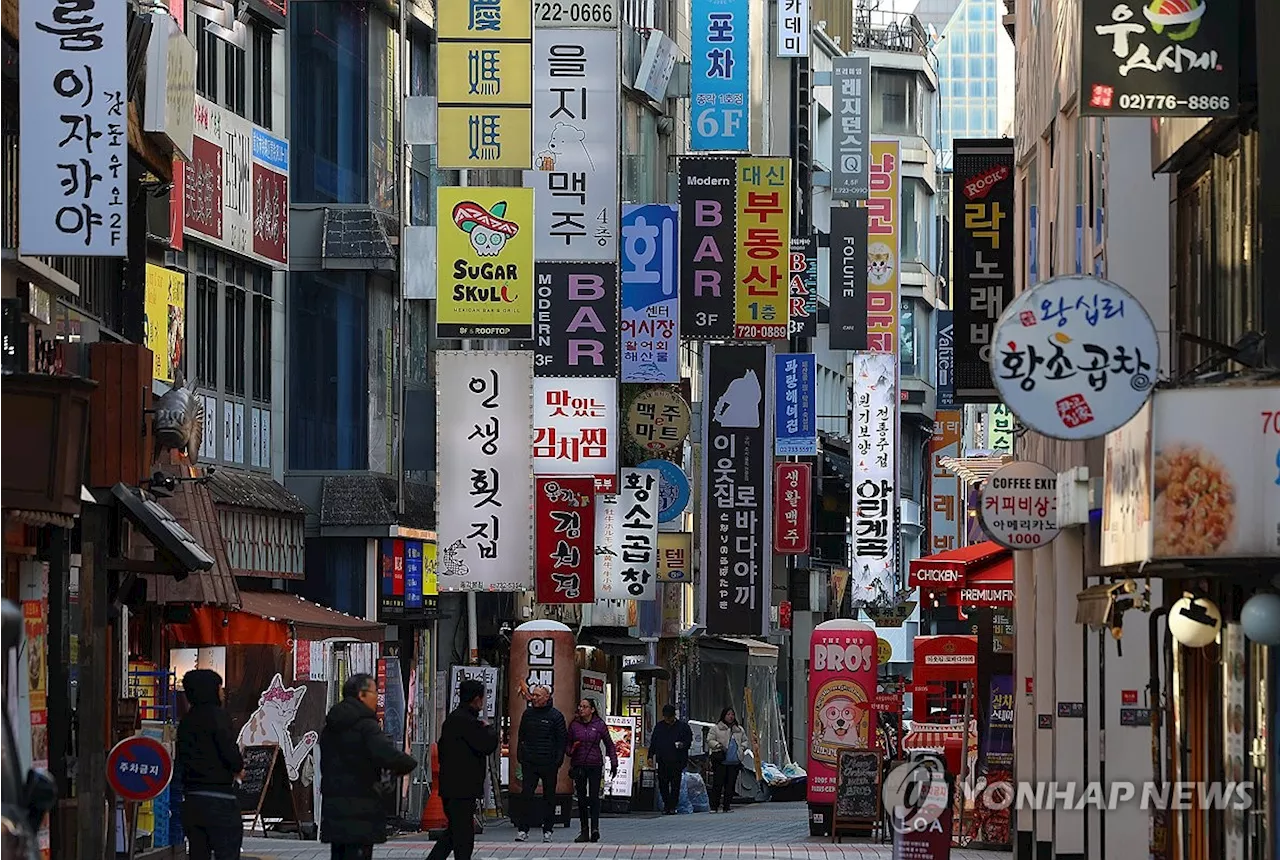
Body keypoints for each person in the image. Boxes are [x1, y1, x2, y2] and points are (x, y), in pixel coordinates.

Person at [319, 673, 418, 860]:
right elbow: (388, 755)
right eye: (375, 692)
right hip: (361, 809)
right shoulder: (366, 726)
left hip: (335, 808)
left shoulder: (331, 726)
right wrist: (407, 764)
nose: (377, 698)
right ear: (361, 695)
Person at [427, 678, 499, 860]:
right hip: (463, 787)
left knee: (455, 832)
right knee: (463, 835)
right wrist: (490, 730)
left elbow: (442, 749)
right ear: (476, 699)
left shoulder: (452, 720)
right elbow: (486, 745)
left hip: (451, 786)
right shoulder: (469, 722)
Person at [176, 669, 244, 860]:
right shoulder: (218, 717)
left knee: (198, 853)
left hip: (192, 800)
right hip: (220, 799)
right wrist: (238, 768)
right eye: (219, 687)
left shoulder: (186, 721)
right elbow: (229, 750)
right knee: (227, 852)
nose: (222, 692)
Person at [515, 684, 568, 843]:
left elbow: (561, 741)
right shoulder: (527, 714)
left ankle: (548, 830)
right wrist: (521, 755)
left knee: (549, 796)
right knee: (526, 795)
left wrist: (557, 761)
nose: (534, 698)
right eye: (533, 695)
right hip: (529, 762)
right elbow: (521, 736)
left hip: (549, 762)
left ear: (547, 697)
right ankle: (523, 830)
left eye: (538, 695)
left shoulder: (556, 716)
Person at [565, 698, 617, 842]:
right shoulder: (574, 725)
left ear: (592, 709)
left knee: (594, 797)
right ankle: (584, 830)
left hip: (595, 764)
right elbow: (567, 748)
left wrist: (614, 762)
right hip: (579, 764)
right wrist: (573, 749)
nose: (581, 709)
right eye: (580, 706)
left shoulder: (599, 725)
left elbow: (609, 744)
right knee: (581, 799)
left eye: (585, 707)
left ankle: (595, 828)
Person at [647, 704, 693, 815]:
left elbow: (688, 741)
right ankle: (666, 804)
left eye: (669, 717)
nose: (667, 720)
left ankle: (672, 806)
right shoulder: (659, 727)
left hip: (677, 760)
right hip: (662, 760)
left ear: (673, 716)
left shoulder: (682, 727)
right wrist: (650, 755)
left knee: (675, 785)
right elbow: (653, 742)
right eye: (665, 717)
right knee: (663, 784)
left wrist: (682, 745)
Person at [706, 706, 750, 813]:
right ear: (723, 716)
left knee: (730, 785)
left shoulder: (738, 729)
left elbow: (745, 741)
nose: (730, 717)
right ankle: (714, 806)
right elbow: (710, 740)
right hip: (721, 761)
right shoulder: (716, 728)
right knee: (718, 784)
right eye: (728, 714)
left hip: (734, 761)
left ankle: (727, 806)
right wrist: (717, 745)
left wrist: (742, 748)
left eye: (732, 714)